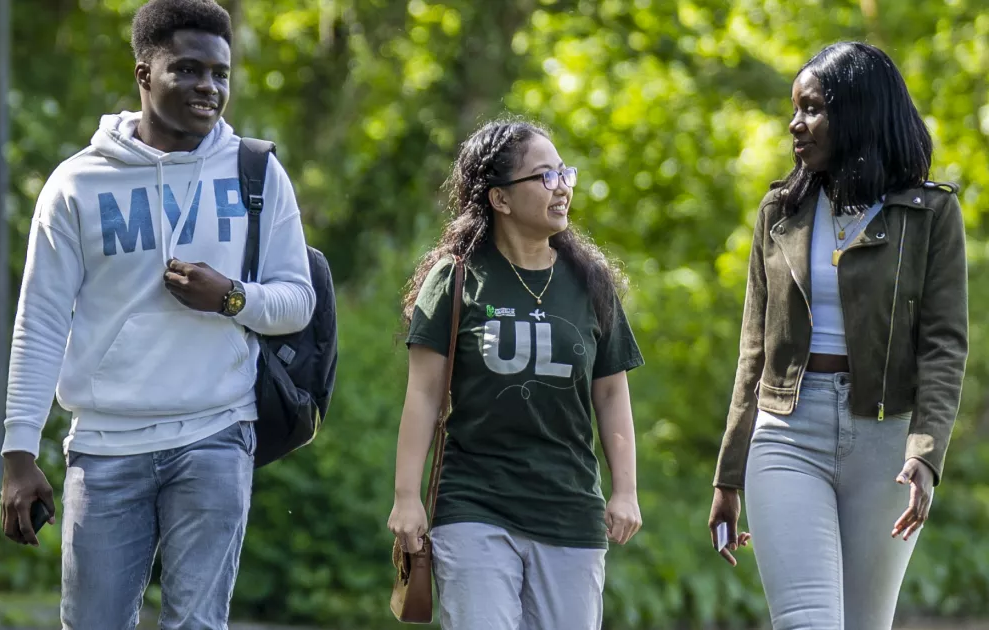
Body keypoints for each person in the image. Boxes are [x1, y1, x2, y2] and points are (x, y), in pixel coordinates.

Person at [0, 0, 315, 627]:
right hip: (107, 443)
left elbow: (297, 301)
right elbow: (40, 321)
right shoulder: (76, 185)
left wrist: (231, 296)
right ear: (145, 74)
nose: (209, 88)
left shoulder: (258, 173)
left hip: (217, 431)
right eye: (189, 70)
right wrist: (18, 451)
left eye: (221, 74)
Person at [708, 41, 968, 630]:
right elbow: (754, 352)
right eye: (794, 109)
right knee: (807, 622)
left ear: (857, 113)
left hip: (886, 443)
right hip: (786, 434)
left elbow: (944, 346)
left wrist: (925, 456)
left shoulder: (929, 215)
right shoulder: (779, 212)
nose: (795, 124)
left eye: (813, 108)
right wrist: (728, 475)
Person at [387, 118, 645, 629]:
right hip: (474, 502)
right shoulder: (457, 277)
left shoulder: (589, 282)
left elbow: (612, 392)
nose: (563, 187)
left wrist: (625, 489)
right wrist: (406, 498)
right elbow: (422, 394)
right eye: (544, 176)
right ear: (500, 199)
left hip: (568, 508)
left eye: (564, 172)